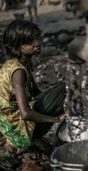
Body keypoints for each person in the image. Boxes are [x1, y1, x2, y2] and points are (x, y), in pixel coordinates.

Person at [0, 20, 66, 153]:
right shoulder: (17, 70)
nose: (37, 43)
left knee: (63, 91)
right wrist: (56, 119)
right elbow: (25, 113)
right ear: (17, 47)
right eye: (30, 41)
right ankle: (31, 138)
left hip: (16, 124)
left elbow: (37, 94)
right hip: (17, 129)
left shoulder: (25, 64)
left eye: (37, 38)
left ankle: (33, 136)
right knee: (66, 89)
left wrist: (60, 105)